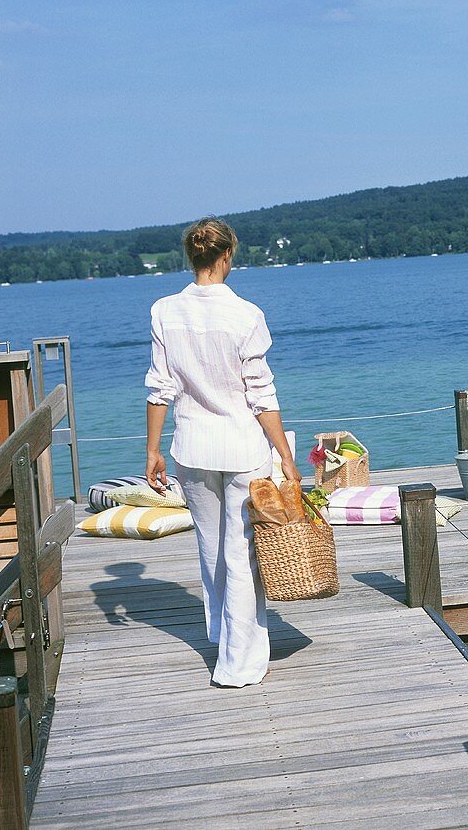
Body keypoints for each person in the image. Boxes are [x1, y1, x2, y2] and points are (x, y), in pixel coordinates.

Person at [144, 217, 300, 687]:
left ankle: (222, 634)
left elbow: (159, 388)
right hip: (241, 449)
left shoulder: (164, 311)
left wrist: (151, 450)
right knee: (241, 553)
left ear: (192, 257)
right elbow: (261, 395)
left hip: (190, 448)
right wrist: (286, 456)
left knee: (211, 546)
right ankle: (239, 661)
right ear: (227, 256)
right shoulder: (246, 315)